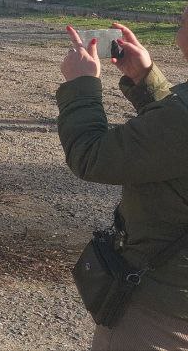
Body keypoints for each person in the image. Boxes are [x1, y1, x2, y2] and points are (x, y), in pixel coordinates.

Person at [57, 18, 188, 349]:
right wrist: (146, 81)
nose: (176, 34)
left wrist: (81, 85)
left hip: (164, 313)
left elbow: (91, 156)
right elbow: (171, 142)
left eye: (183, 19)